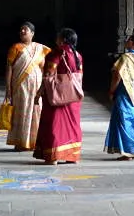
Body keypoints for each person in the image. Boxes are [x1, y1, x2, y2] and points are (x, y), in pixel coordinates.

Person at [33, 28, 84, 165]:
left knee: (54, 124)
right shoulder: (77, 55)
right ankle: (71, 156)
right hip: (73, 96)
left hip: (57, 95)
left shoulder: (57, 53)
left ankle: (53, 156)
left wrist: (39, 92)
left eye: (58, 37)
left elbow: (48, 74)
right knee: (72, 125)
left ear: (63, 40)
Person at [5, 22, 52, 151]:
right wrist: (8, 88)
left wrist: (45, 86)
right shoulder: (15, 48)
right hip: (20, 87)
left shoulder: (40, 49)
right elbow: (9, 68)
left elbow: (43, 68)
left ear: (32, 33)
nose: (22, 32)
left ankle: (34, 142)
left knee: (36, 112)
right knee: (21, 112)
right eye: (21, 30)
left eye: (25, 30)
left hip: (36, 87)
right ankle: (20, 142)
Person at [104, 33, 134, 160]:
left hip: (127, 93)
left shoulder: (125, 58)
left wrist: (111, 91)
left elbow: (117, 76)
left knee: (124, 121)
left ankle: (127, 152)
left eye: (129, 40)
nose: (126, 41)